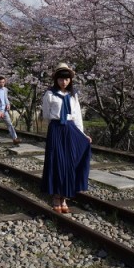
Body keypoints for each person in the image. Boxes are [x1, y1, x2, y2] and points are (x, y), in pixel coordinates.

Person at [41, 63, 92, 213]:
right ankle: (56, 196)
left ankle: (64, 196)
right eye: (61, 79)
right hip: (56, 129)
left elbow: (77, 117)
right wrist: (54, 129)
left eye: (67, 79)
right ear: (56, 80)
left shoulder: (73, 95)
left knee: (69, 161)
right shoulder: (49, 94)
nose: (64, 82)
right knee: (57, 161)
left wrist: (82, 135)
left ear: (70, 80)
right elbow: (46, 115)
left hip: (70, 128)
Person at [0, 76, 21, 146]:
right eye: (0, 82)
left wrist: (8, 104)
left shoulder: (5, 89)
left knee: (9, 124)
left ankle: (14, 138)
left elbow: (6, 98)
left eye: (3, 82)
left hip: (4, 110)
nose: (2, 84)